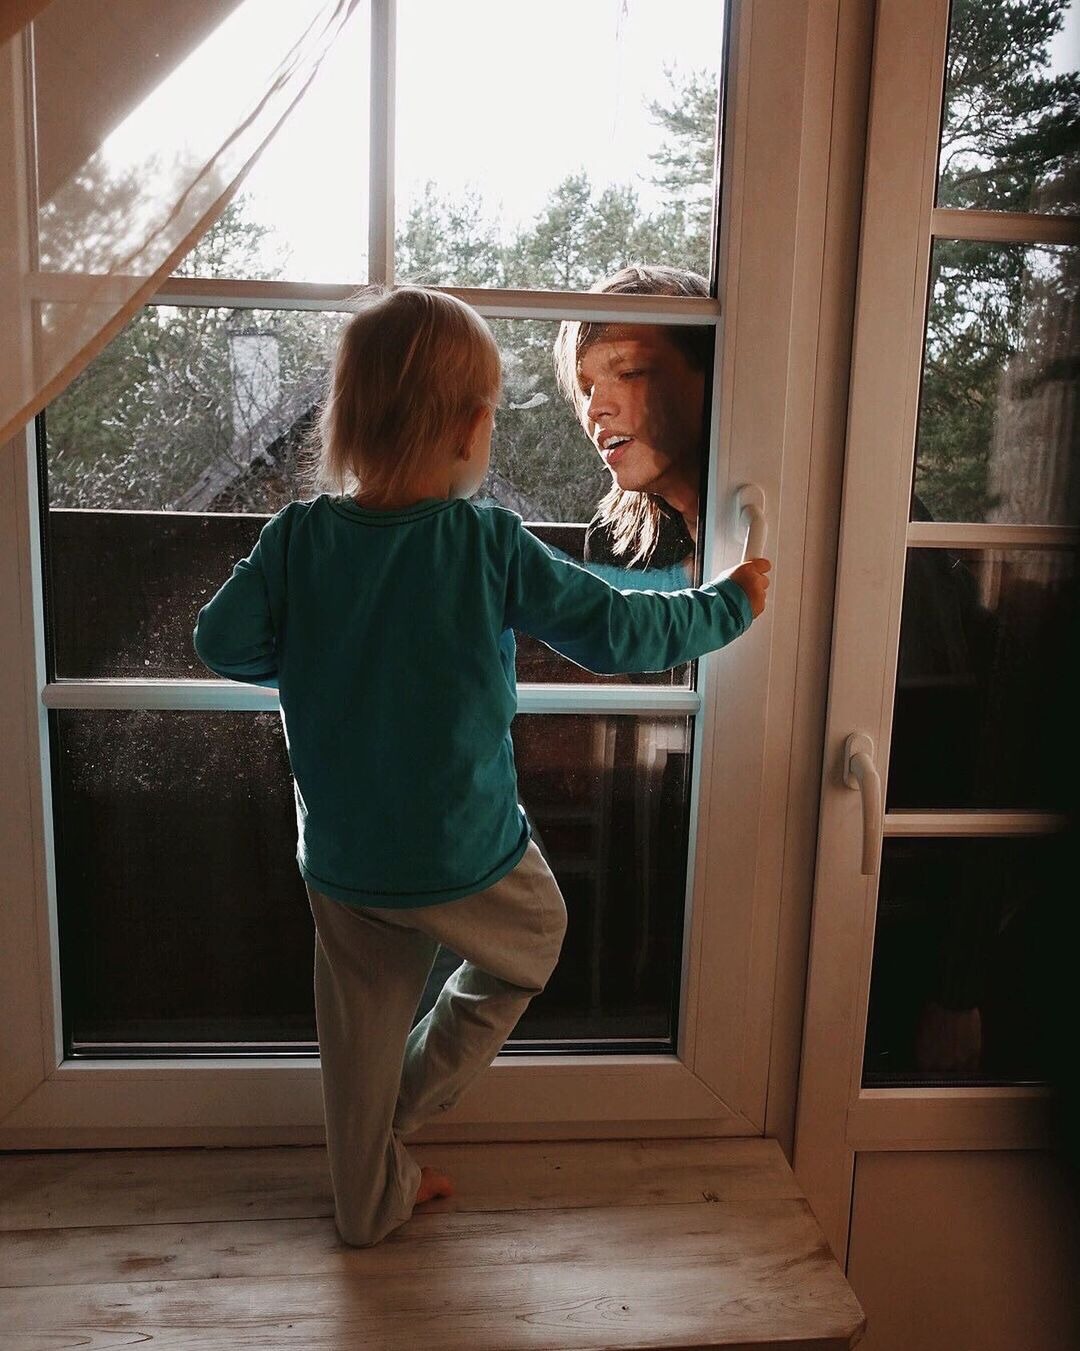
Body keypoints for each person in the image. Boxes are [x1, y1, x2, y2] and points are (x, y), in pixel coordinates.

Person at [192, 285, 771, 1249]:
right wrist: (731, 603)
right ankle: (403, 1108)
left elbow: (220, 641)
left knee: (358, 1028)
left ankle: (368, 1194)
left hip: (343, 857)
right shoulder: (485, 541)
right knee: (535, 938)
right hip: (463, 849)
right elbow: (617, 632)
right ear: (468, 426)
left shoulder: (298, 537)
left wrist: (314, 663)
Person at [554, 264, 712, 579]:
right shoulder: (612, 540)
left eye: (630, 373)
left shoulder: (792, 516)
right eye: (586, 390)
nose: (594, 409)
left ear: (711, 375)